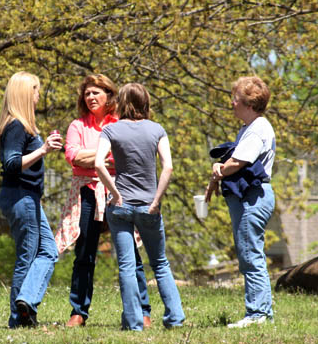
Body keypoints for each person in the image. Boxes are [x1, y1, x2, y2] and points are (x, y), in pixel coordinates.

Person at [54, 74, 152, 328]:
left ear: (109, 96)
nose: (90, 97)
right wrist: (102, 155)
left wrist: (94, 158)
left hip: (118, 190)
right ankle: (78, 312)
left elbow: (125, 155)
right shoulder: (78, 125)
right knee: (84, 253)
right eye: (87, 93)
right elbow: (72, 156)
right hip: (86, 190)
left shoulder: (120, 123)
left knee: (129, 252)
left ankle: (142, 311)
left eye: (96, 92)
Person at [95, 83, 185, 331]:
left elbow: (97, 164)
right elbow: (168, 167)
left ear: (122, 103)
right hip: (149, 207)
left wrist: (114, 193)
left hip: (120, 207)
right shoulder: (157, 129)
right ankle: (175, 318)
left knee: (126, 265)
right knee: (160, 263)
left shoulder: (110, 130)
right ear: (146, 102)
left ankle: (134, 323)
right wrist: (155, 201)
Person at [205, 76, 276, 329]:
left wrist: (219, 171)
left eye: (235, 98)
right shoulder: (248, 128)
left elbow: (239, 162)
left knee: (250, 255)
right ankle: (261, 313)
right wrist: (218, 172)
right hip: (247, 198)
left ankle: (257, 315)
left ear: (248, 103)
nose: (231, 102)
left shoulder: (259, 128)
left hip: (253, 198)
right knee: (249, 254)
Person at [0, 71, 62, 328]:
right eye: (36, 90)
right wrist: (43, 150)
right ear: (25, 93)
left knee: (48, 250)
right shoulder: (15, 125)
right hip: (20, 196)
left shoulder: (24, 127)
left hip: (28, 197)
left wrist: (47, 147)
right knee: (28, 255)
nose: (38, 95)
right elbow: (11, 164)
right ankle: (18, 318)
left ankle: (26, 301)